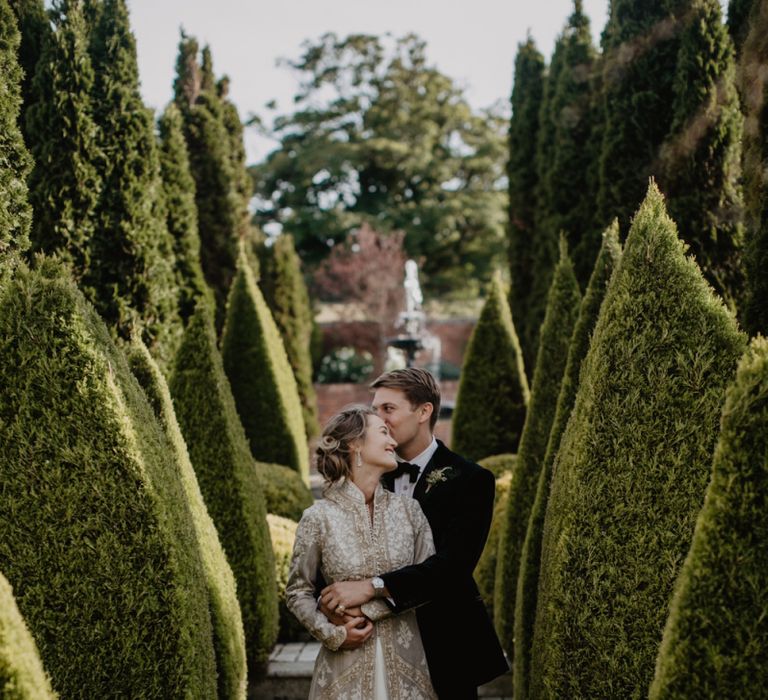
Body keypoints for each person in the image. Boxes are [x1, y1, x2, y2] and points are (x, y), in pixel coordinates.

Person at [319, 368, 509, 699]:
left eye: (388, 409)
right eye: (375, 408)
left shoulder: (471, 480)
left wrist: (372, 587)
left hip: (445, 644)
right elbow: (332, 550)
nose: (377, 418)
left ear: (424, 412)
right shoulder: (364, 475)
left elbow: (453, 566)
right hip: (369, 645)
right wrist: (335, 614)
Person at [286, 405, 438, 699]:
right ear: (355, 444)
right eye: (383, 432)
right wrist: (334, 634)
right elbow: (297, 592)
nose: (393, 441)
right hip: (343, 672)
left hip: (409, 670)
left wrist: (366, 607)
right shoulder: (318, 518)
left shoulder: (409, 511)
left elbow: (428, 582)